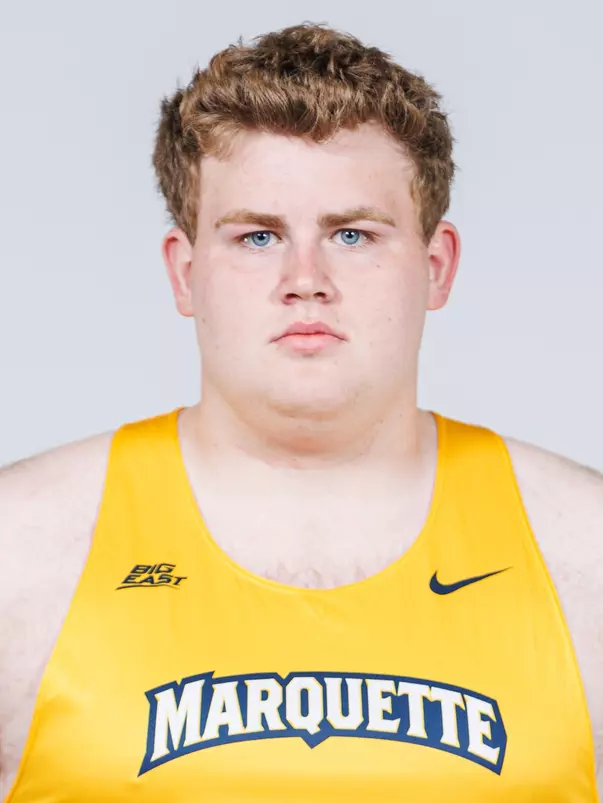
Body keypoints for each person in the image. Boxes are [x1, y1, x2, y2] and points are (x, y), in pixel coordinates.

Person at [1, 21, 602, 802]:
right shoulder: (19, 551)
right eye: (256, 237)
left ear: (435, 266)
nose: (304, 278)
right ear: (185, 274)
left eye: (351, 234)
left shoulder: (582, 553)